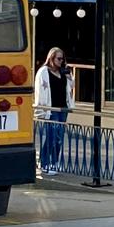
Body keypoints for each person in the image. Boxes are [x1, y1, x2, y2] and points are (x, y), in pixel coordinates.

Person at [34, 46, 71, 176]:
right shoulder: (44, 71)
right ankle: (45, 162)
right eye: (59, 59)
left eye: (63, 59)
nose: (61, 61)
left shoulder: (63, 72)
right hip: (51, 108)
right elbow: (41, 91)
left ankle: (54, 162)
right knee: (52, 136)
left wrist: (68, 75)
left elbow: (69, 89)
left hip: (62, 108)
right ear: (52, 58)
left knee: (59, 137)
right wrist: (42, 109)